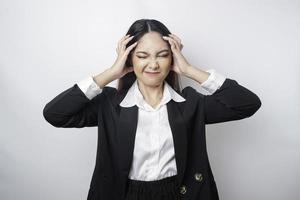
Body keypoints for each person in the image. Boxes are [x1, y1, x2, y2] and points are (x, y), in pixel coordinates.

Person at [43, 19, 262, 200]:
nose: (153, 64)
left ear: (172, 58)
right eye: (142, 56)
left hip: (179, 193)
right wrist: (110, 73)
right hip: (123, 194)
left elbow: (248, 103)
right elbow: (55, 114)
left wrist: (189, 70)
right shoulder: (110, 104)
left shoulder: (190, 103)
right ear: (129, 58)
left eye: (162, 55)